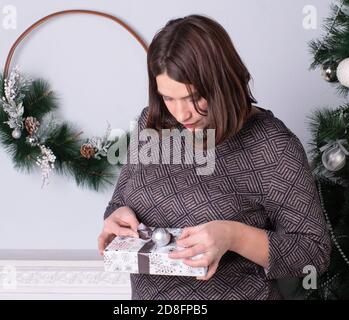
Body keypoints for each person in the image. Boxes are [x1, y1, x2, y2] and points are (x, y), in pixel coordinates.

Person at [98, 14, 331, 300]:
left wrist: (234, 236)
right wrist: (117, 217)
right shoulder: (153, 125)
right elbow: (121, 201)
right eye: (169, 98)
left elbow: (313, 252)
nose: (181, 114)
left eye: (193, 97)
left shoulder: (272, 145)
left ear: (221, 82)